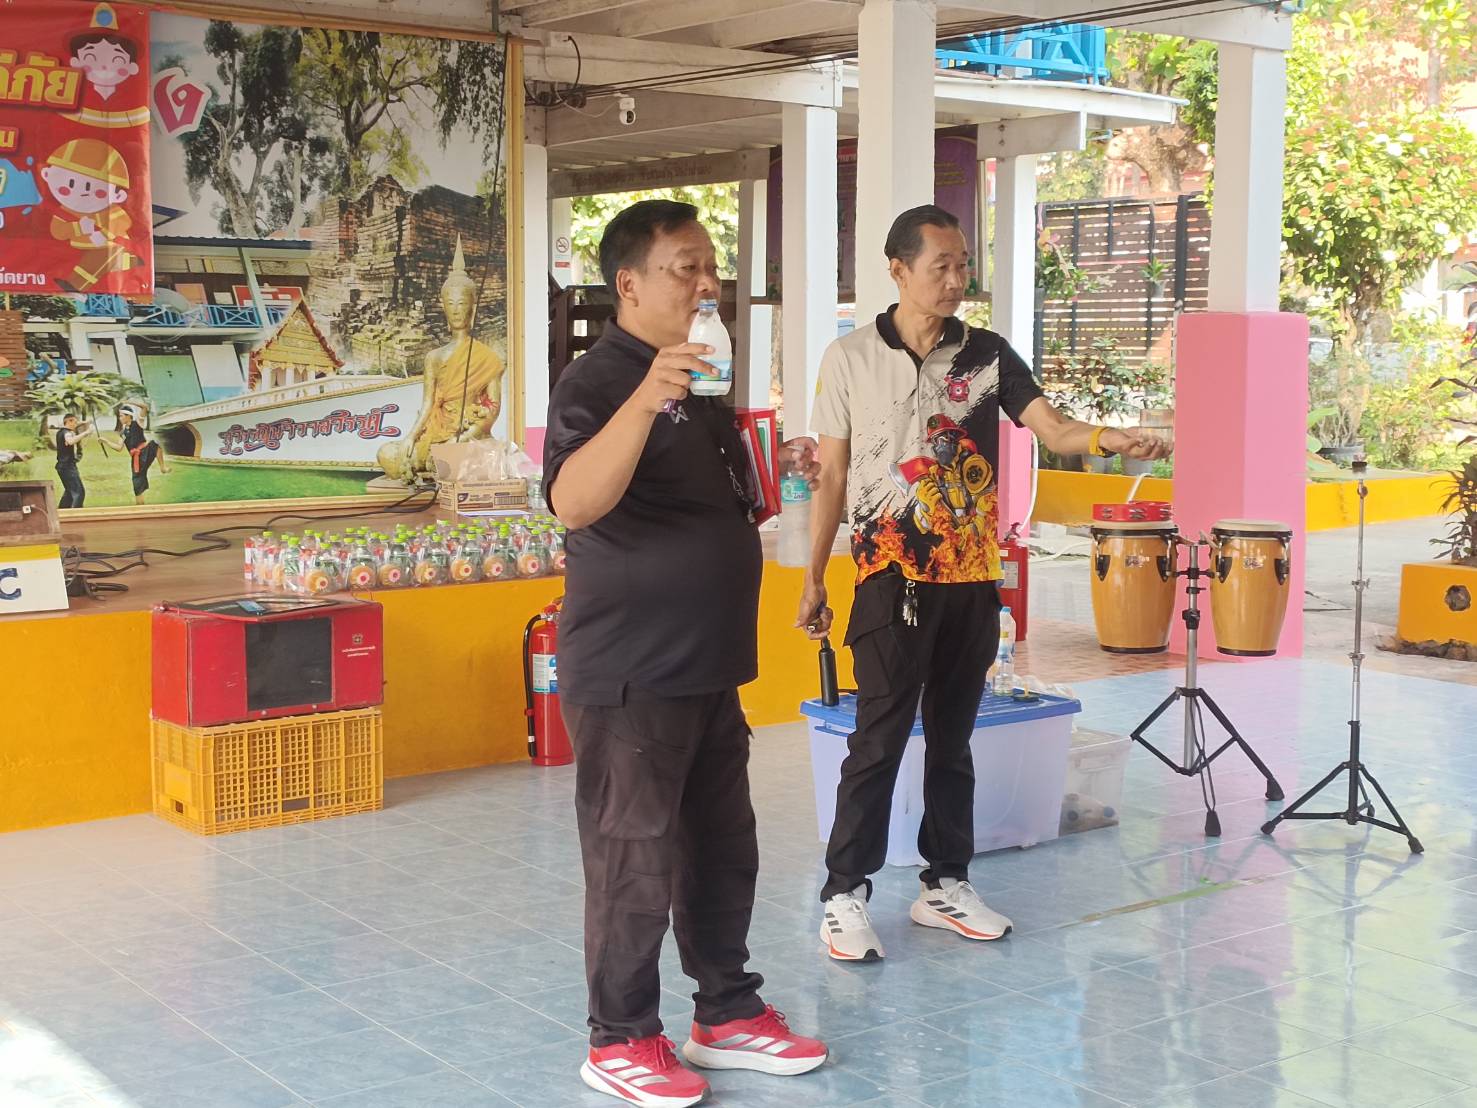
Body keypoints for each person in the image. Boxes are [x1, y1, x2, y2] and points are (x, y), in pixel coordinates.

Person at [798, 204, 1170, 962]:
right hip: (888, 576)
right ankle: (844, 893)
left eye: (963, 264)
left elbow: (1054, 429)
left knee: (953, 741)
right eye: (941, 265)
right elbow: (832, 475)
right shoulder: (848, 358)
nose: (956, 279)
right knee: (877, 740)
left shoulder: (988, 354)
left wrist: (1111, 437)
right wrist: (813, 578)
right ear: (898, 269)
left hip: (970, 579)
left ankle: (945, 884)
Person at [544, 199, 828, 1108]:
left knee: (720, 846)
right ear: (628, 283)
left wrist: (786, 465)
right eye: (685, 267)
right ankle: (620, 1037)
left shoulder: (697, 381)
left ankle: (726, 1011)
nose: (706, 284)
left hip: (707, 663)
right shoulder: (598, 381)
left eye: (711, 266)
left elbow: (715, 506)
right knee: (634, 858)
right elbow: (573, 503)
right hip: (632, 669)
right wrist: (643, 397)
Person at [109, 405, 168, 504]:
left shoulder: (138, 423)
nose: (120, 418)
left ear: (128, 416)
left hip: (145, 452)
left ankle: (162, 467)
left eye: (121, 416)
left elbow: (144, 408)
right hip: (136, 461)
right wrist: (105, 441)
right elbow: (119, 448)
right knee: (137, 488)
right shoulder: (123, 433)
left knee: (154, 445)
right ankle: (140, 506)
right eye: (119, 416)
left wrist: (130, 402)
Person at [54, 413, 93, 508]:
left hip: (62, 467)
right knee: (79, 492)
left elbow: (77, 424)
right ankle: (77, 514)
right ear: (68, 421)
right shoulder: (67, 433)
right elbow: (70, 441)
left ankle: (62, 513)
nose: (76, 424)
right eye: (74, 422)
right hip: (68, 467)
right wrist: (86, 432)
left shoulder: (60, 432)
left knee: (69, 492)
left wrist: (86, 422)